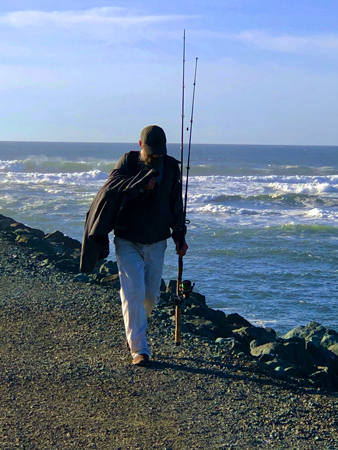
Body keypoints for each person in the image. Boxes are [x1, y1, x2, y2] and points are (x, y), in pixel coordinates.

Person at [80, 125, 188, 366]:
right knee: (134, 293)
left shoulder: (170, 167)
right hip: (127, 239)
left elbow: (176, 204)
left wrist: (180, 237)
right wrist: (140, 184)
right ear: (141, 145)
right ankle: (139, 349)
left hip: (157, 241)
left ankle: (134, 329)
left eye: (159, 151)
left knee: (150, 296)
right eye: (151, 151)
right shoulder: (128, 162)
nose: (155, 156)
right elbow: (111, 188)